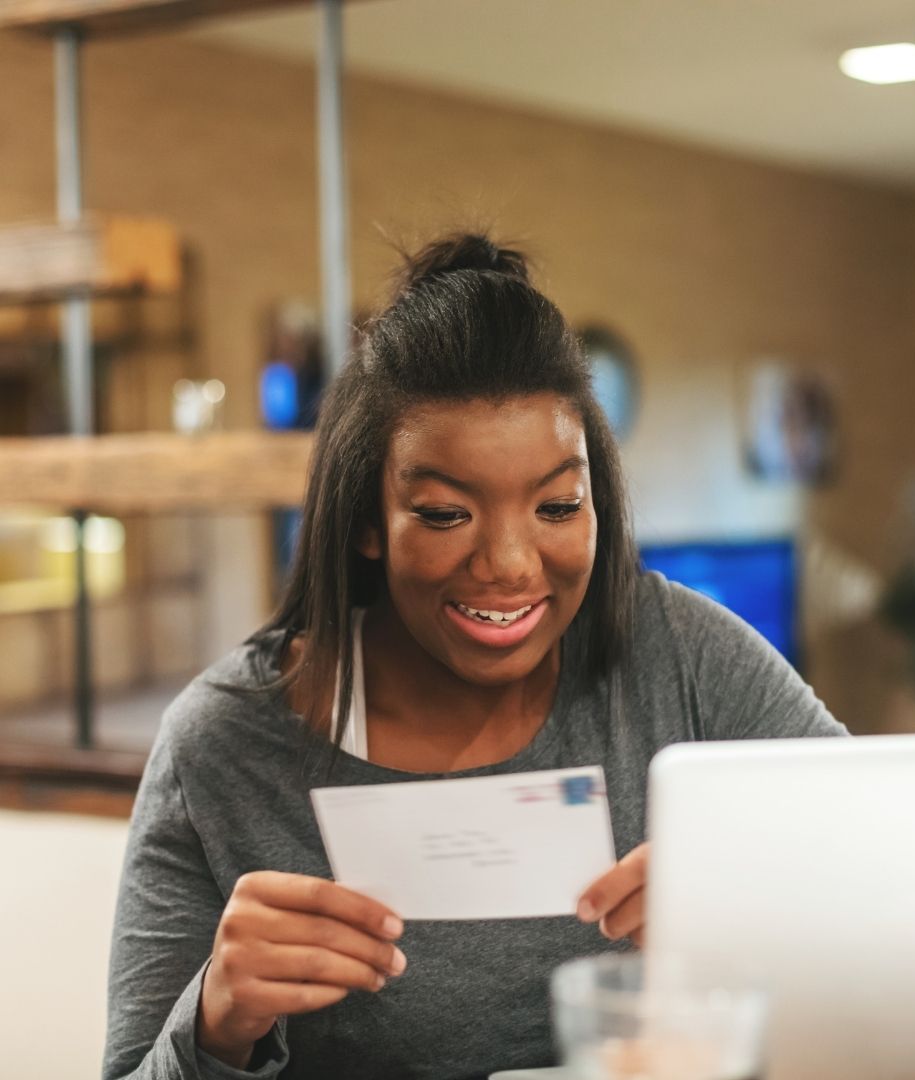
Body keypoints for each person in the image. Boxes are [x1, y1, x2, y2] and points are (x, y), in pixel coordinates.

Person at [103, 233, 846, 1080]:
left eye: (558, 507)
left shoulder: (682, 655)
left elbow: (886, 870)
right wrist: (216, 1023)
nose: (510, 564)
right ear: (366, 524)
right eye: (447, 514)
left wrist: (770, 905)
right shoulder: (225, 746)